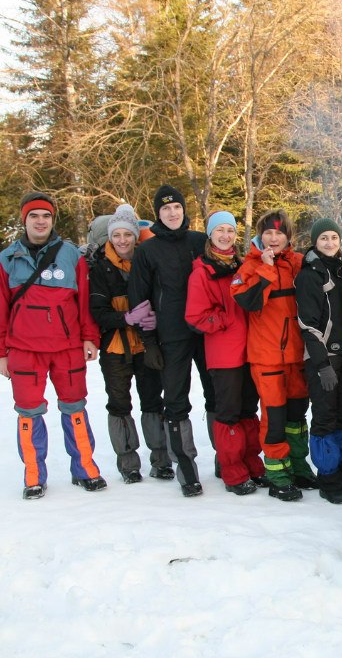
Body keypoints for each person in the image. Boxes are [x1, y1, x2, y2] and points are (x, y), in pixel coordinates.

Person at [0, 191, 104, 498]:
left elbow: (84, 302)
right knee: (29, 412)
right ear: (24, 220)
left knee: (75, 408)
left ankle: (85, 469)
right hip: (24, 350)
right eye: (34, 216)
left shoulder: (71, 255)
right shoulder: (6, 259)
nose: (40, 221)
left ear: (53, 220)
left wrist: (89, 337)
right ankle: (34, 475)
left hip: (66, 348)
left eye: (46, 216)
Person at [127, 185, 213, 497]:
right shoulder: (147, 251)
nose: (172, 213)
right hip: (171, 335)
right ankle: (186, 465)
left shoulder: (199, 241)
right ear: (158, 214)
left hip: (206, 333)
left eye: (176, 207)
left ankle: (225, 459)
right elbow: (139, 300)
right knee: (176, 399)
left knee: (216, 394)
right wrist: (148, 342)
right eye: (166, 209)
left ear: (183, 209)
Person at [86, 203, 170, 483]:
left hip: (147, 344)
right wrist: (127, 317)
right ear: (110, 237)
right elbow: (98, 312)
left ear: (136, 236)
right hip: (115, 348)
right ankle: (128, 462)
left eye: (128, 235)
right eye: (117, 235)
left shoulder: (147, 261)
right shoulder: (100, 268)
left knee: (152, 400)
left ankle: (160, 459)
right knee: (119, 403)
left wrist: (156, 317)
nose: (122, 240)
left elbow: (160, 297)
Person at [185, 210, 267, 496]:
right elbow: (195, 316)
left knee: (248, 409)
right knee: (229, 412)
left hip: (250, 350)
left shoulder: (242, 265)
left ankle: (250, 462)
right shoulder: (202, 271)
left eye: (230, 231)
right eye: (220, 230)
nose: (225, 236)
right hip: (223, 354)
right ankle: (232, 469)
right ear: (210, 234)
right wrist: (226, 320)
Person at [232, 210, 311, 501]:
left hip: (297, 355)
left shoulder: (298, 263)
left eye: (279, 233)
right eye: (268, 233)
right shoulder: (249, 267)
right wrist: (265, 268)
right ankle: (278, 474)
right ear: (259, 236)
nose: (274, 238)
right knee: (274, 418)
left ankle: (299, 466)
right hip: (267, 356)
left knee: (296, 416)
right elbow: (247, 301)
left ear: (288, 237)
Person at [296, 217, 342, 505]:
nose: (330, 243)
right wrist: (321, 364)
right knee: (324, 417)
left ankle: (339, 463)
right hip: (324, 357)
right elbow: (307, 323)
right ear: (315, 242)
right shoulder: (311, 274)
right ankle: (327, 472)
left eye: (334, 237)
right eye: (324, 239)